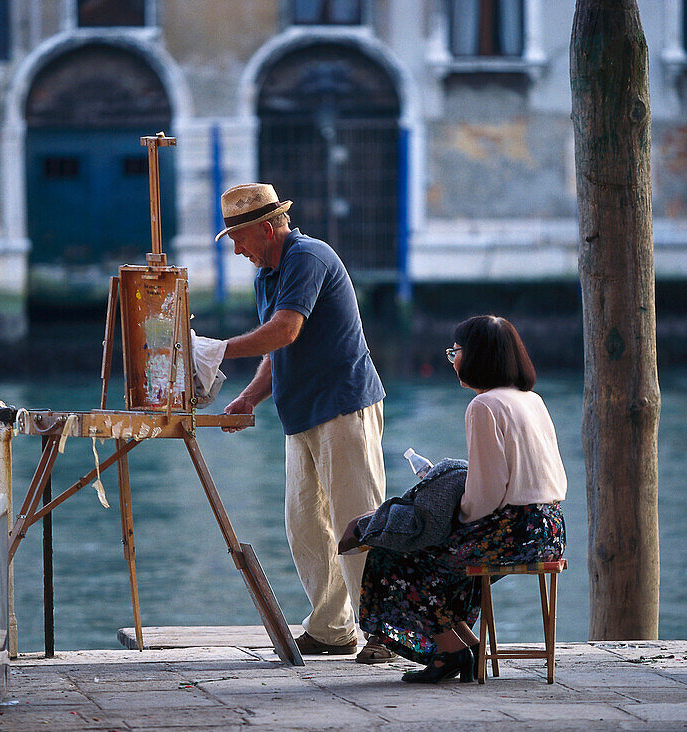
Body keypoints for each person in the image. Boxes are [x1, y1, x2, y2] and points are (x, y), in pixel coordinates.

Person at [216, 183, 393, 663]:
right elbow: (279, 349)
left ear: (267, 229)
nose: (236, 249)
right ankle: (333, 629)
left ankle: (385, 631)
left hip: (342, 405)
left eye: (239, 238)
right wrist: (249, 397)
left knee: (359, 521)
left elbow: (285, 329)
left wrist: (215, 350)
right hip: (301, 413)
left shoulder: (307, 257)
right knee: (306, 526)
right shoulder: (267, 274)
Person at [339, 314, 567, 683]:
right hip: (549, 528)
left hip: (511, 530)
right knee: (431, 556)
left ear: (477, 356)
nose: (453, 360)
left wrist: (452, 518)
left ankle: (450, 652)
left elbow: (487, 494)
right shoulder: (531, 400)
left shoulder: (484, 406)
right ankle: (466, 646)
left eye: (455, 352)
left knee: (399, 551)